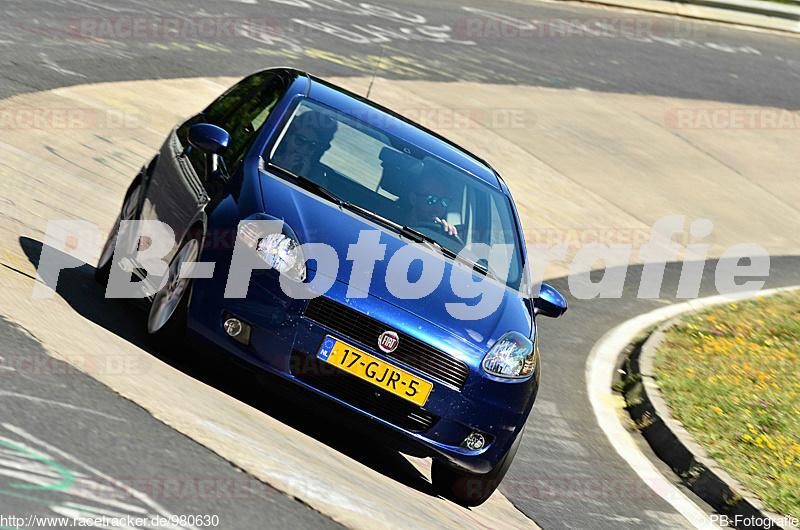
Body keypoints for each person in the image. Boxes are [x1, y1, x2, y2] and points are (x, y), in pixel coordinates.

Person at [271, 109, 337, 181]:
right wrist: (281, 169)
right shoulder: (266, 158)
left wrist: (303, 178)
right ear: (288, 136)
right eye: (300, 140)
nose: (304, 149)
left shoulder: (319, 178)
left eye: (312, 145)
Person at [405, 172, 459, 238]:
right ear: (413, 199)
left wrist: (449, 235)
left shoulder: (441, 233)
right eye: (431, 199)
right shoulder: (391, 223)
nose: (438, 208)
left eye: (444, 201)